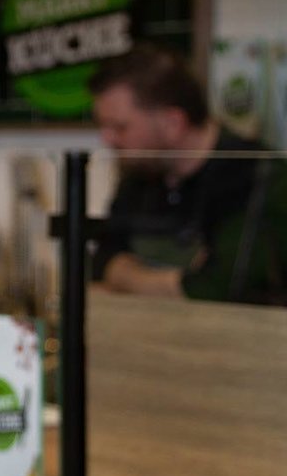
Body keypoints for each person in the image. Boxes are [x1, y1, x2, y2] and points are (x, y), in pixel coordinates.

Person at [91, 44, 286, 305]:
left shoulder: (258, 177)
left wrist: (126, 276)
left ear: (173, 123)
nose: (108, 139)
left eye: (120, 127)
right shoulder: (141, 172)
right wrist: (176, 281)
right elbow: (101, 262)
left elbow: (221, 291)